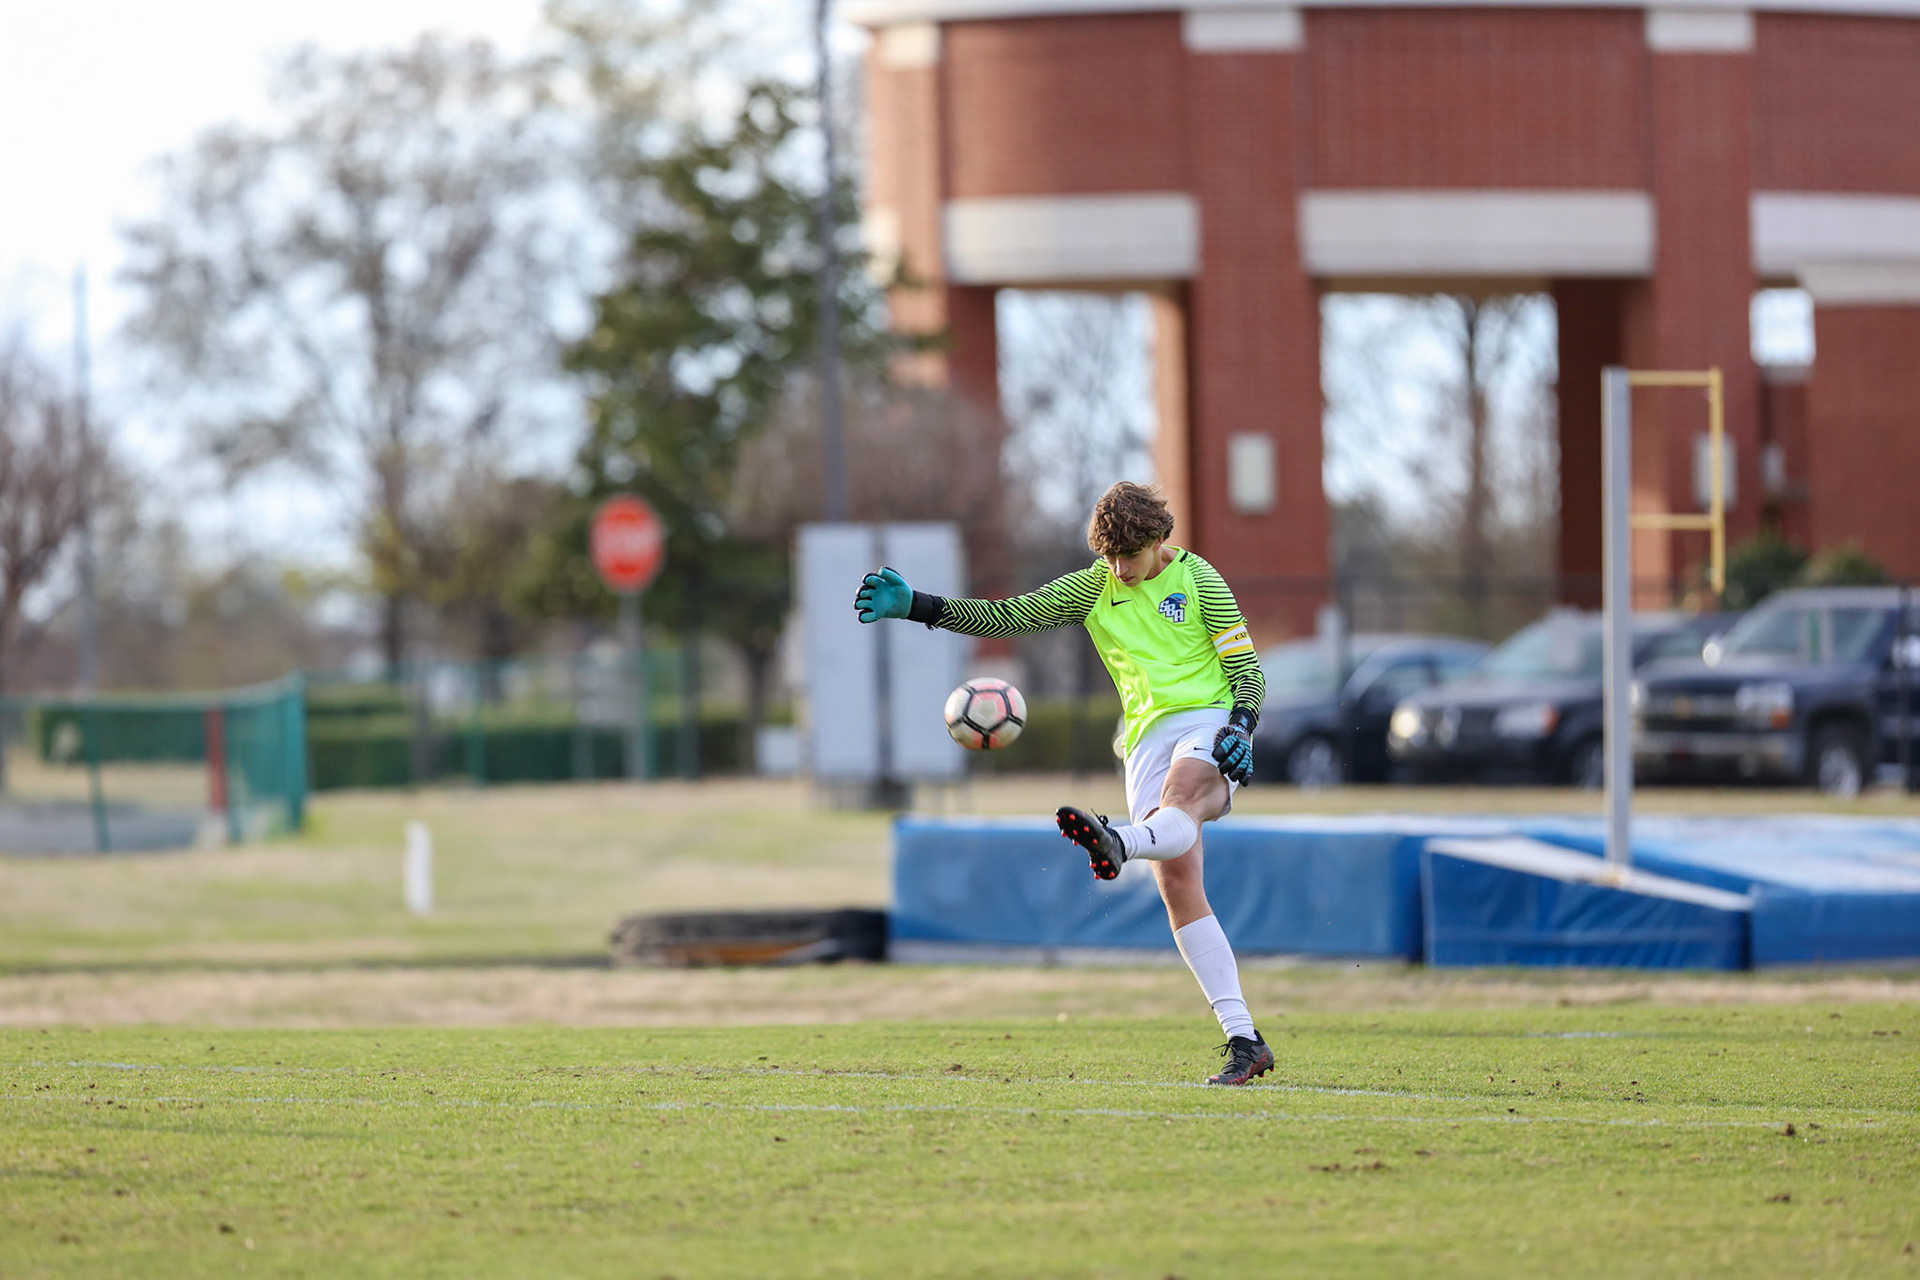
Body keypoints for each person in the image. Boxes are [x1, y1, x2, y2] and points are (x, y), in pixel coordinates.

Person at [853, 481, 1273, 1086]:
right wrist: (916, 604)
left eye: (1129, 557)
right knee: (1178, 881)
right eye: (1109, 557)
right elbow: (1006, 617)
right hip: (1145, 737)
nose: (1119, 569)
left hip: (1209, 719)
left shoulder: (1199, 578)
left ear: (1161, 542)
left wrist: (1242, 722)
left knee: (1181, 803)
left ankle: (1118, 844)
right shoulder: (1093, 587)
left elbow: (1245, 667)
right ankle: (1244, 1040)